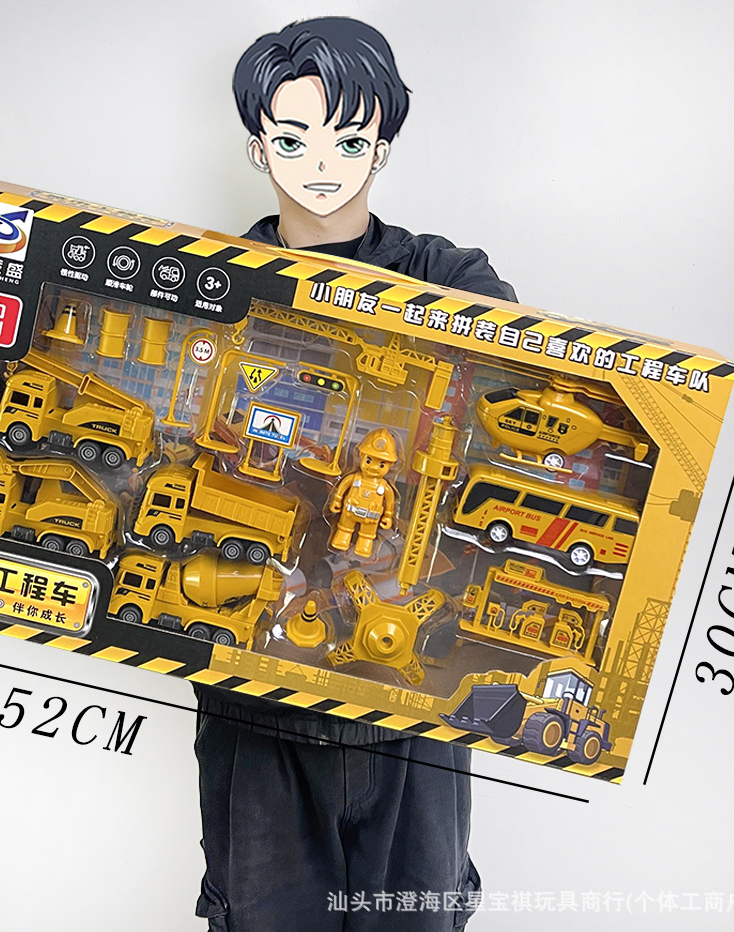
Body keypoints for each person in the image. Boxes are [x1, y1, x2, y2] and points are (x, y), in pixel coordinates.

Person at [194, 17, 515, 931]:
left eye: (348, 138)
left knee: (417, 916)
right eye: (294, 140)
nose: (322, 165)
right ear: (258, 148)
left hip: (409, 701)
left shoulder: (450, 277)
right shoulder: (212, 287)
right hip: (258, 694)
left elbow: (505, 392)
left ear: (383, 145)